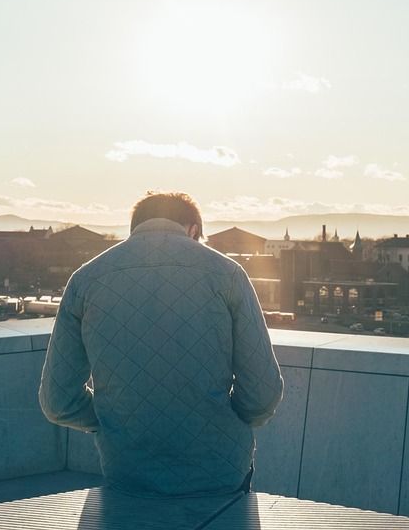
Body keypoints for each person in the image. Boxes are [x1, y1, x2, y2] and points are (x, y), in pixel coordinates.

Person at [39, 191, 284, 498]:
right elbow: (262, 393)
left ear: (134, 227)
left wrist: (113, 422)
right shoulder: (228, 275)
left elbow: (57, 402)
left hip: (127, 468)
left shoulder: (84, 280)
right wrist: (225, 421)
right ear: (194, 229)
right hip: (220, 467)